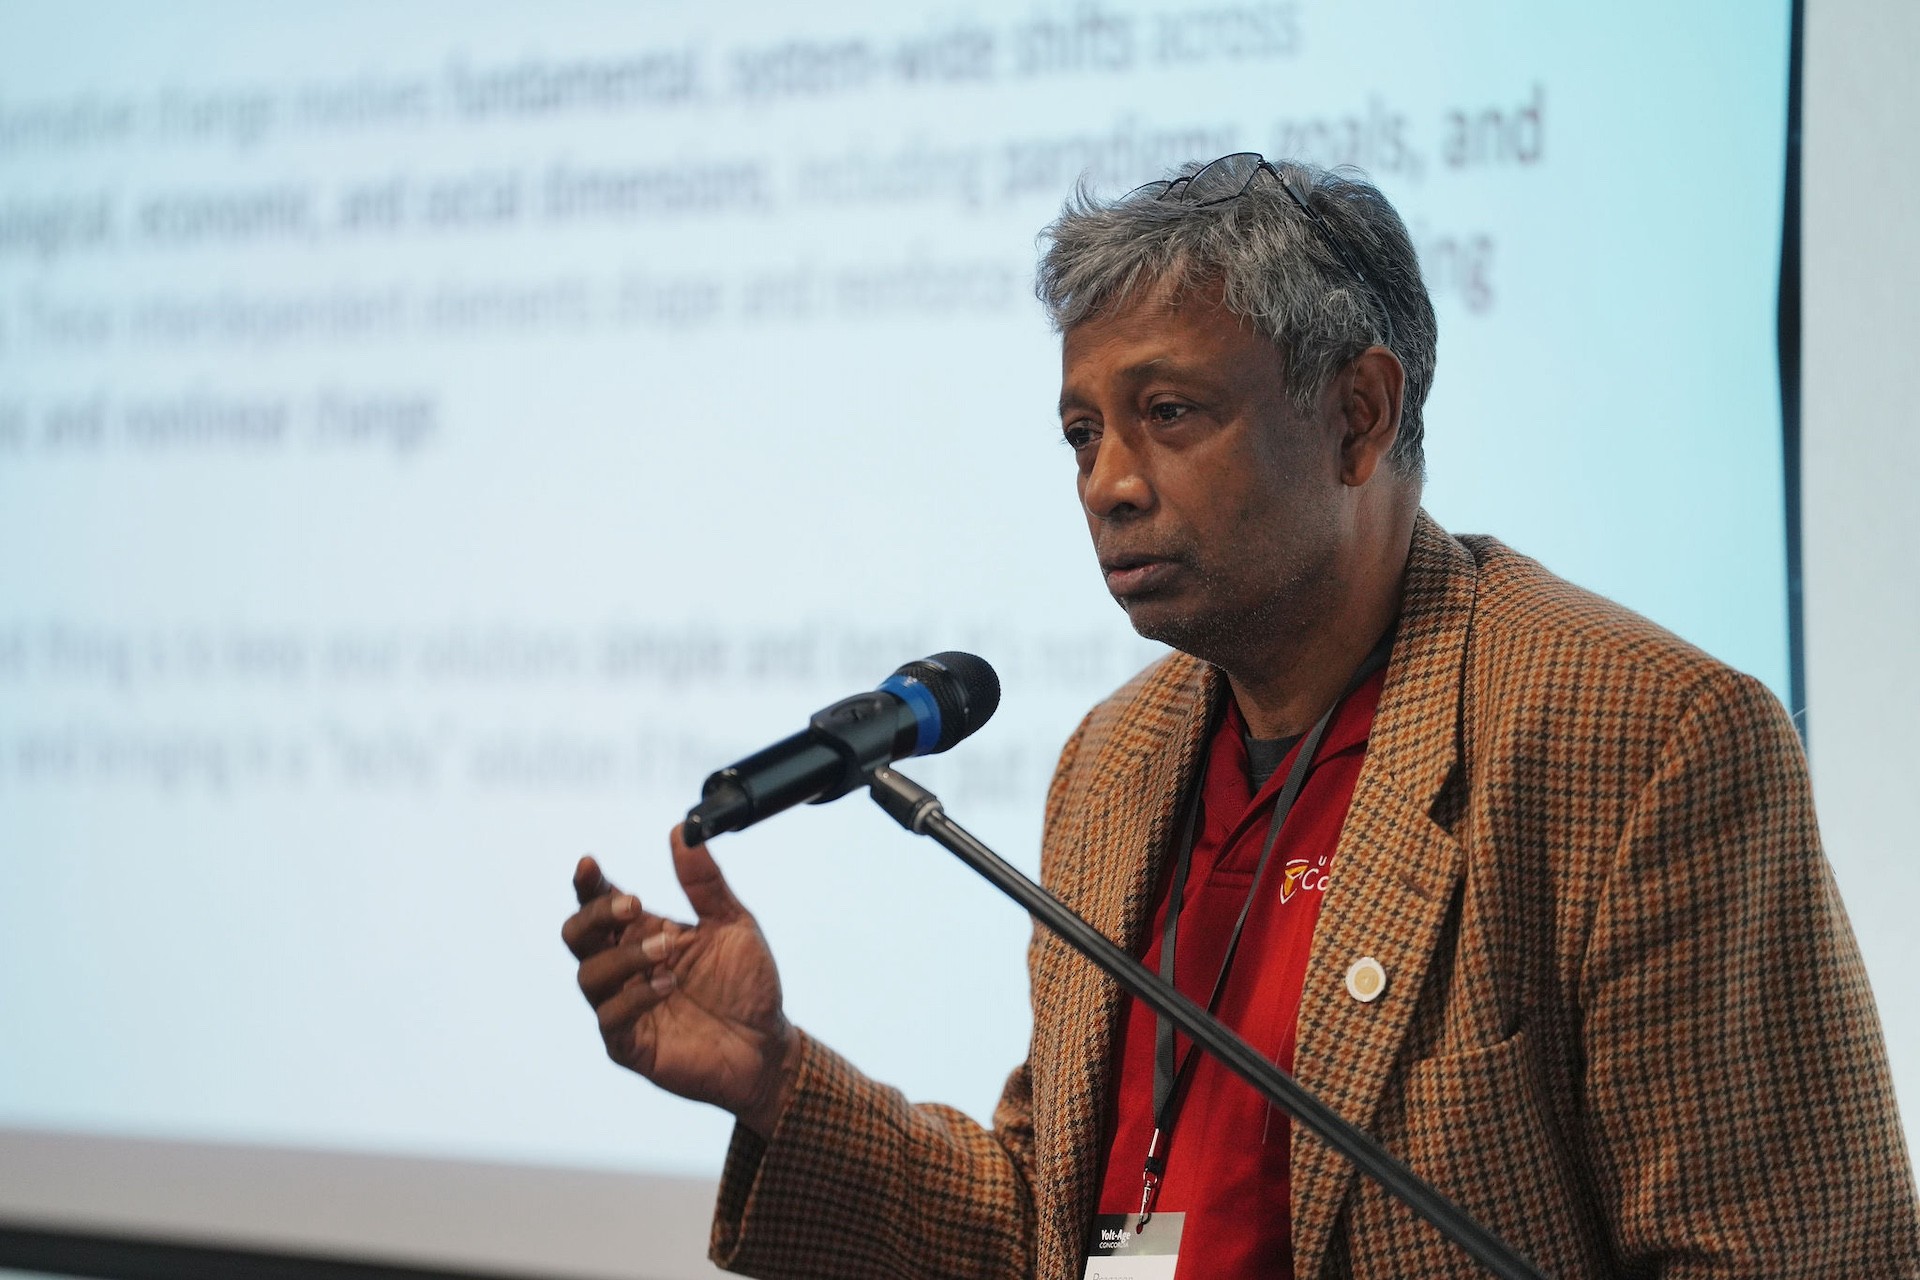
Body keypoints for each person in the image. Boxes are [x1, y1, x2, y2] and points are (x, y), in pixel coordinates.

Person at [561, 154, 1919, 1278]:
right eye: (1082, 432)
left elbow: (1790, 1257)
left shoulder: (1638, 739)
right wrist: (777, 1083)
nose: (1109, 482)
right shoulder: (1117, 762)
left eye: (1169, 412)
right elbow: (1053, 1234)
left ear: (1358, 416)